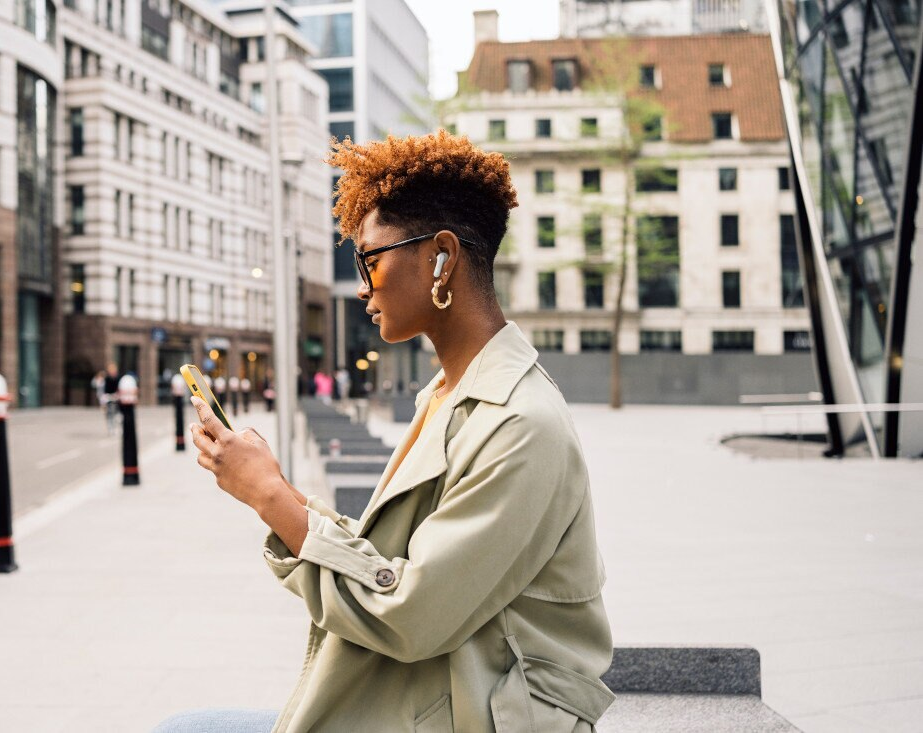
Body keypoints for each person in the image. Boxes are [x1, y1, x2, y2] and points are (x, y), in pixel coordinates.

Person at [160, 131, 612, 732]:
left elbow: (411, 612)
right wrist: (274, 491)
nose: (363, 288)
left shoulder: (520, 424)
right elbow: (392, 559)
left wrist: (268, 495)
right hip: (425, 699)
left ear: (441, 257)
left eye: (370, 259)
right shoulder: (448, 395)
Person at [103, 363, 120, 436]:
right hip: (109, 397)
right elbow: (105, 390)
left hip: (116, 397)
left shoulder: (117, 378)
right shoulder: (107, 379)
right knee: (109, 413)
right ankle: (110, 428)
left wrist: (117, 395)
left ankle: (114, 428)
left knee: (115, 413)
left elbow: (118, 388)